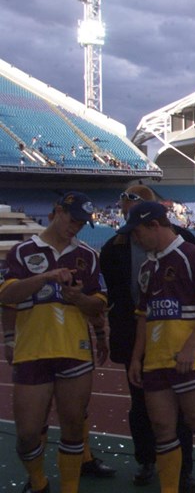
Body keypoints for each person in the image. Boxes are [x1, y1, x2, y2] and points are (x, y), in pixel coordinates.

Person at [0, 191, 107, 493]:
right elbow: (6, 297)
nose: (76, 227)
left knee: (74, 426)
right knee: (27, 434)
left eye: (82, 223)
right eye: (73, 220)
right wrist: (45, 278)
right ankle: (38, 482)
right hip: (32, 350)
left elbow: (99, 305)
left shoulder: (88, 256)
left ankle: (69, 487)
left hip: (75, 351)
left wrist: (79, 299)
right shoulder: (22, 252)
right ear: (57, 211)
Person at [122, 201, 195, 493]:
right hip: (155, 361)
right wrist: (136, 358)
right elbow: (143, 315)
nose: (135, 239)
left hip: (190, 360)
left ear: (154, 226)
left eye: (137, 232)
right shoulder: (147, 265)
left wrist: (189, 348)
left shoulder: (193, 257)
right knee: (162, 429)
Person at [100, 185, 195, 492]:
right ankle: (146, 459)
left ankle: (182, 468)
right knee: (140, 403)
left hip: (174, 331)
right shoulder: (113, 247)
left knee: (181, 405)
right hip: (134, 333)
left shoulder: (185, 240)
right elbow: (117, 296)